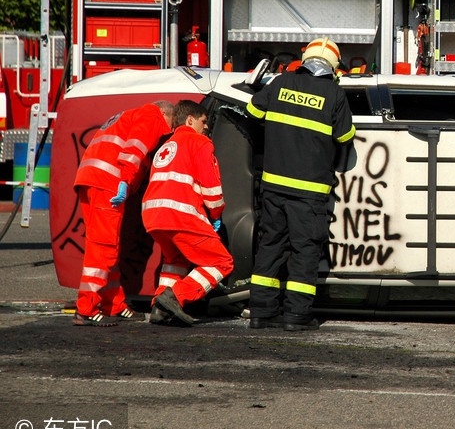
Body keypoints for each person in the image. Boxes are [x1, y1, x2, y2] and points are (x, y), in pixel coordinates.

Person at [245, 37, 356, 331]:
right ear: (333, 65)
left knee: (271, 245)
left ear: (304, 58)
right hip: (309, 193)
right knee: (305, 250)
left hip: (273, 188)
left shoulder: (281, 82)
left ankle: (261, 312)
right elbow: (345, 137)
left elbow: (253, 112)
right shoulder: (333, 93)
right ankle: (296, 315)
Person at [73, 100, 174, 326]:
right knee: (104, 248)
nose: (168, 131)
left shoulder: (127, 115)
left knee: (105, 246)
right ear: (166, 113)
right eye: (171, 124)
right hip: (109, 183)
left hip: (92, 179)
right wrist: (126, 180)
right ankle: (86, 308)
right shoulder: (153, 116)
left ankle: (113, 303)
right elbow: (135, 149)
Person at [142, 100, 232, 326]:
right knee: (222, 262)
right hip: (180, 214)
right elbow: (212, 190)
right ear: (190, 120)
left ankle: (159, 308)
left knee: (175, 261)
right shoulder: (200, 142)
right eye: (203, 121)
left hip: (153, 215)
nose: (207, 126)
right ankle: (174, 297)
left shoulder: (167, 145)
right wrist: (216, 214)